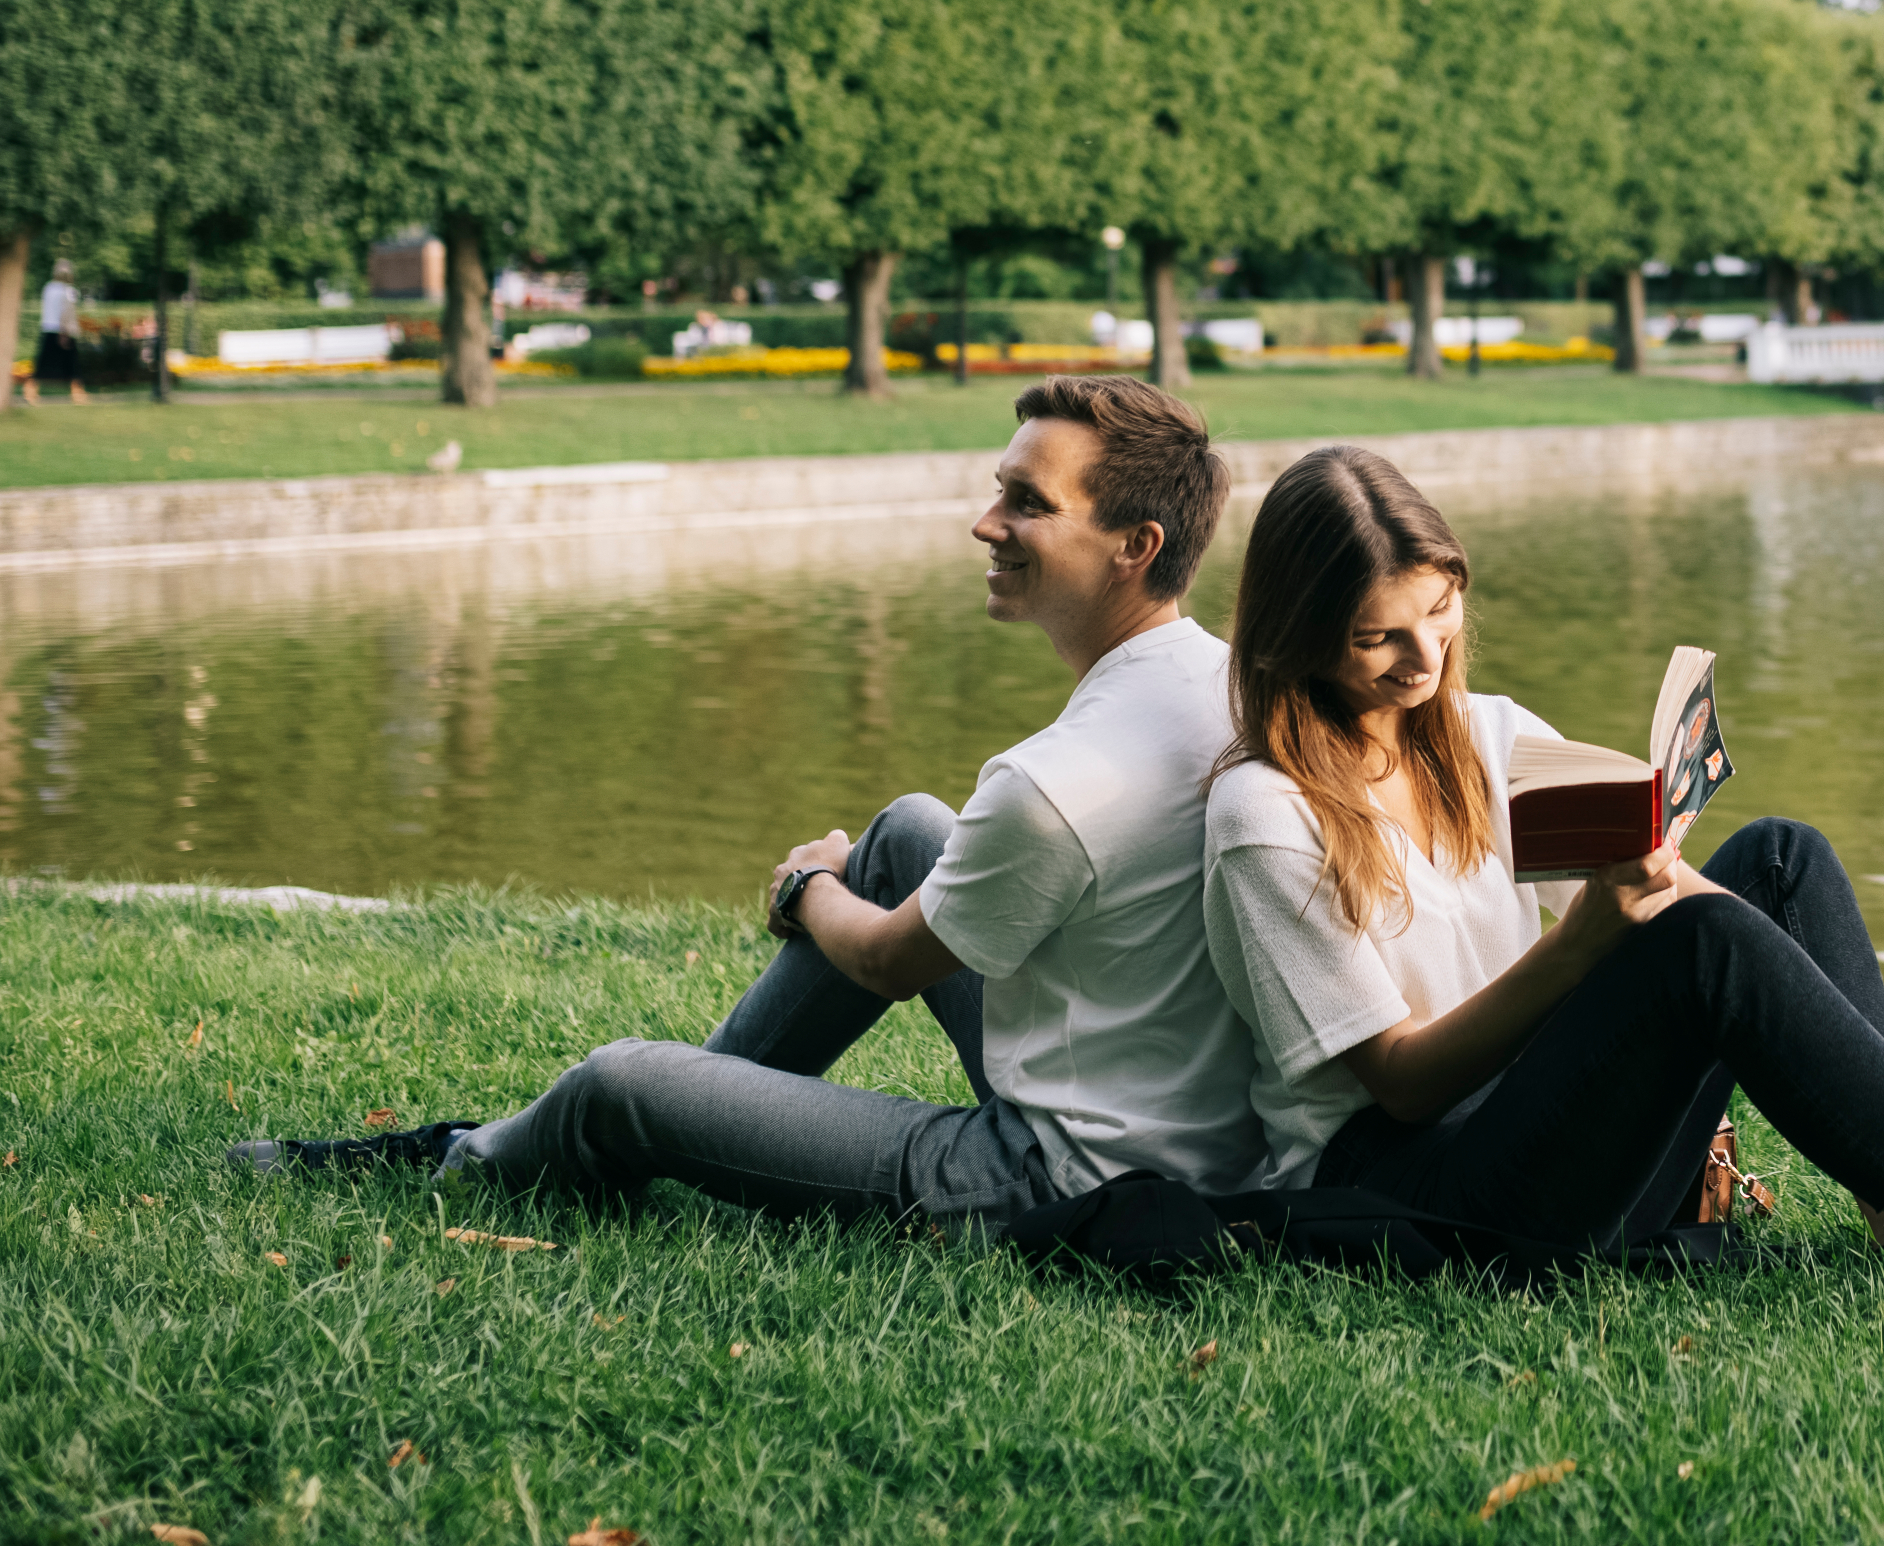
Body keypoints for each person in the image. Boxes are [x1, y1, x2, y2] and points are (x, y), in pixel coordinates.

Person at [1199, 444, 1884, 1318]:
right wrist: (1580, 949)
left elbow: (1691, 922)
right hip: (1416, 1193)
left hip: (1549, 1125)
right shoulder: (1266, 818)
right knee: (1703, 942)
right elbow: (1400, 1082)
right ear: (1298, 637)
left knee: (1776, 861)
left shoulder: (1486, 735)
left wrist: (1658, 872)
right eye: (1376, 637)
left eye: (1440, 610)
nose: (1423, 657)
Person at [235, 375, 1263, 1235]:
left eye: (1026, 503)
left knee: (621, 1080)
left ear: (1136, 544)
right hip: (1175, 1125)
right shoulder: (1224, 686)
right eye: (998, 491)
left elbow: (885, 960)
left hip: (1050, 1177)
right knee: (907, 829)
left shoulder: (1052, 778)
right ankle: (684, 1119)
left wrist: (808, 885)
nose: (983, 522)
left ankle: (476, 1158)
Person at [35, 265, 86, 403]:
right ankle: (77, 393)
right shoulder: (70, 290)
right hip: (64, 330)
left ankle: (31, 390)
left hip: (48, 328)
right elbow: (67, 311)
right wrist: (65, 332)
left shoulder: (48, 288)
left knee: (43, 362)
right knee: (73, 363)